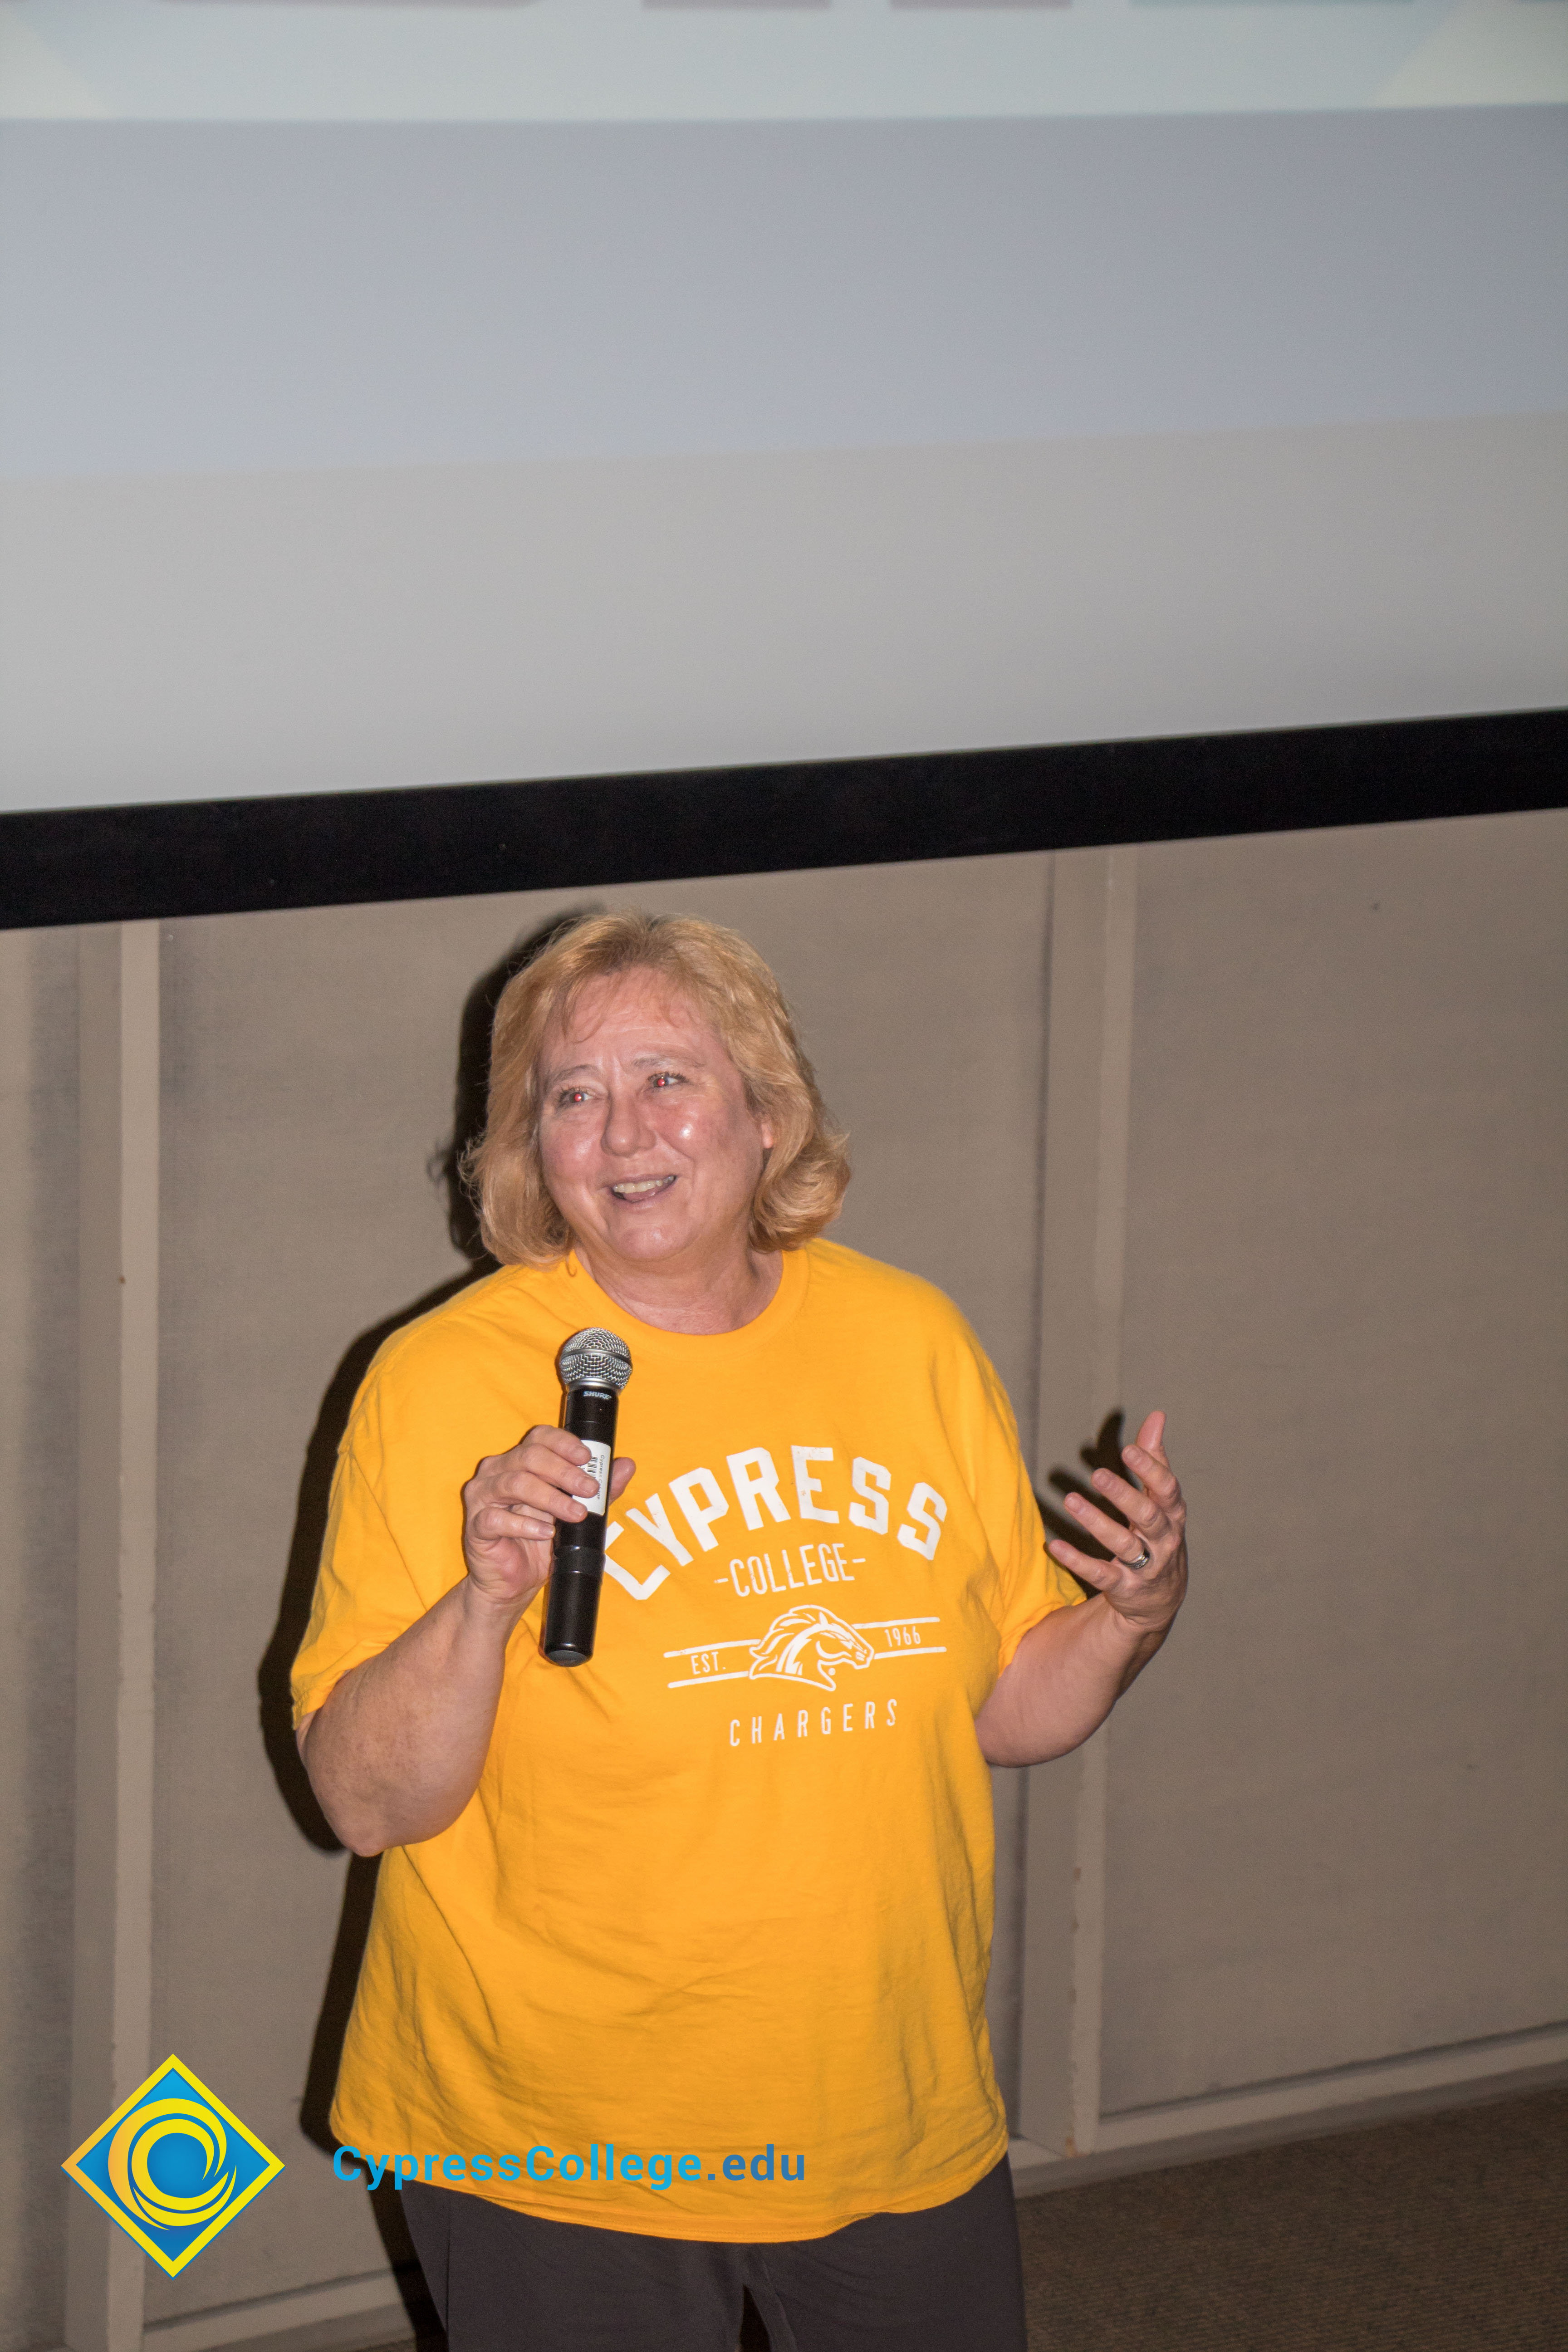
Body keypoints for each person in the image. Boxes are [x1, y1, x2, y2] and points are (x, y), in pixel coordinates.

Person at [293, 911, 1187, 2352]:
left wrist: (1131, 1616)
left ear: (767, 1115)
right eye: (573, 1095)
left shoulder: (911, 1340)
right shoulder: (437, 1382)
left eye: (669, 1079)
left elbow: (1006, 1702)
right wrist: (486, 1596)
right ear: (530, 1148)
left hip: (889, 2106)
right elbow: (365, 1802)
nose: (623, 1132)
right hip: (564, 2137)